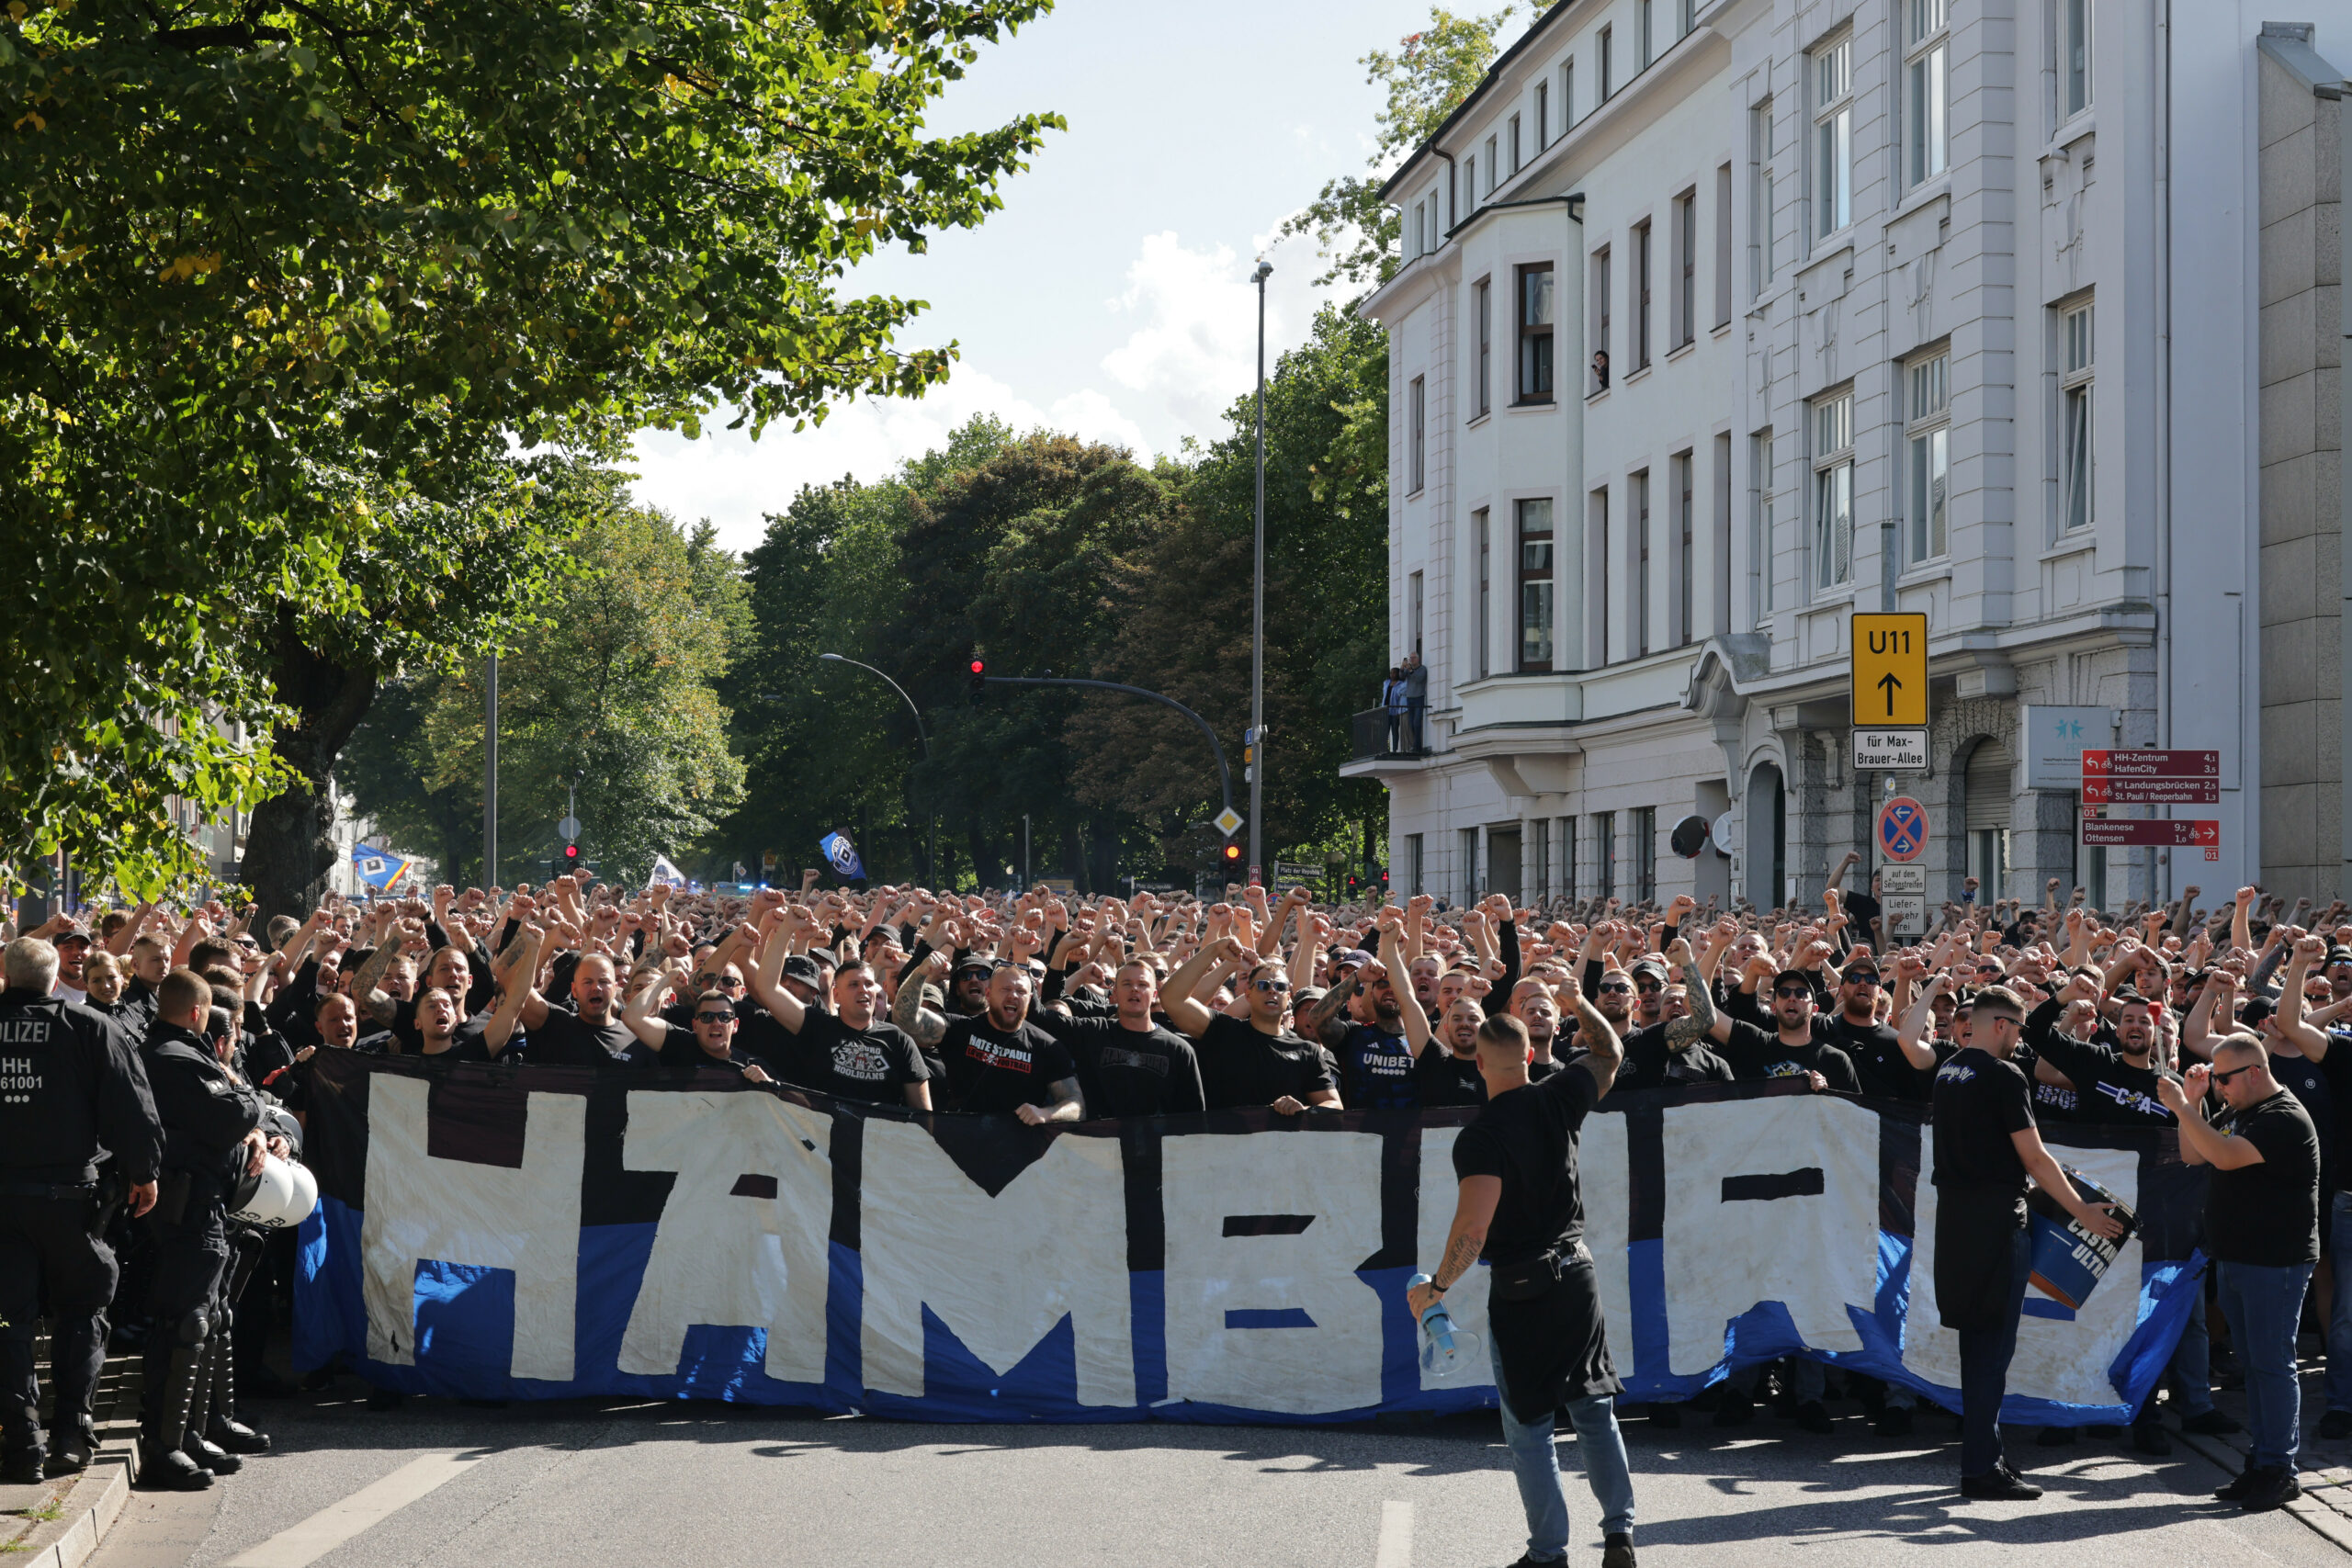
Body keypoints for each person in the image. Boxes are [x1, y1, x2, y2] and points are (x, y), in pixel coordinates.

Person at [1411, 994, 1634, 1568]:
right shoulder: (1560, 1095)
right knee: (1592, 1410)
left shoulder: (1480, 1136)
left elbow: (1473, 1227)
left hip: (1521, 1288)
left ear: (1479, 1065)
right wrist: (1577, 998)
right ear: (1531, 1053)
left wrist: (1436, 1288)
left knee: (1531, 1427)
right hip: (1577, 1273)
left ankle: (1548, 1554)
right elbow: (1609, 1051)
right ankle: (1619, 1536)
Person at [1930, 987, 2122, 1501]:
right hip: (1995, 1222)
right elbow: (2035, 1158)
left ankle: (1984, 1457)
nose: (2020, 1040)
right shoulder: (2003, 1074)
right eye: (2016, 1030)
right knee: (1992, 1351)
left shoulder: (1947, 1071)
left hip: (1955, 1222)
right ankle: (1981, 1469)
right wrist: (2080, 1211)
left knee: (1978, 1346)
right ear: (2000, 1025)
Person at [0, 937, 163, 1483]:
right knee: (82, 1312)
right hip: (70, 1200)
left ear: (6, 974)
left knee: (9, 1320)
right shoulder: (90, 1028)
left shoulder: (92, 1026)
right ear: (54, 981)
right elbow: (130, 1104)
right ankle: (71, 1432)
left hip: (5, 1202)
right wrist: (144, 1173)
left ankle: (21, 1443)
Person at [2161, 1034, 2324, 1512]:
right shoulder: (2243, 1110)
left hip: (2276, 1262)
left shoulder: (2283, 1117)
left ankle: (2279, 1468)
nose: (2219, 1087)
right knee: (2255, 1367)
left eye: (2223, 1078)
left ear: (2253, 1071)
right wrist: (2189, 1105)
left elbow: (2227, 1156)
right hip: (2238, 1257)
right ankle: (2264, 1461)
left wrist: (2183, 1105)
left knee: (2272, 1365)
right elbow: (2198, 1155)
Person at [138, 968, 278, 1489]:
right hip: (188, 1205)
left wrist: (248, 1113)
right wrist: (248, 1099)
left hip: (206, 1203)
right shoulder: (175, 1058)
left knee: (209, 1319)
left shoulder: (179, 1055)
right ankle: (164, 1446)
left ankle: (193, 1433)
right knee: (186, 1324)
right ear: (198, 1012)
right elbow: (229, 1116)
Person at [1161, 939, 1341, 1113]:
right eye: (1263, 985)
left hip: (1281, 1143)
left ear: (1289, 997)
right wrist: (1214, 949)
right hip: (1224, 1142)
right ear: (1248, 995)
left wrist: (1303, 1110)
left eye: (1279, 986)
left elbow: (1334, 1105)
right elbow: (1172, 998)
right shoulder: (1223, 1031)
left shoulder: (1307, 1051)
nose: (1272, 990)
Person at [741, 953, 928, 1107]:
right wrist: (786, 928)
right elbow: (767, 988)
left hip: (879, 1145)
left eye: (869, 984)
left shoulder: (898, 1040)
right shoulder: (818, 1027)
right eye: (854, 985)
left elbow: (924, 1114)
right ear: (836, 995)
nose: (863, 990)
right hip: (822, 1143)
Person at [1035, 959, 1205, 1116]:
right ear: (1114, 993)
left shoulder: (1179, 1050)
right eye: (1127, 983)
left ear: (1154, 994)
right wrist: (1021, 959)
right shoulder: (1093, 1032)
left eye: (1142, 984)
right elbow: (1042, 1014)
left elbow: (1193, 1119)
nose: (1135, 989)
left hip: (1157, 1147)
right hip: (1099, 1145)